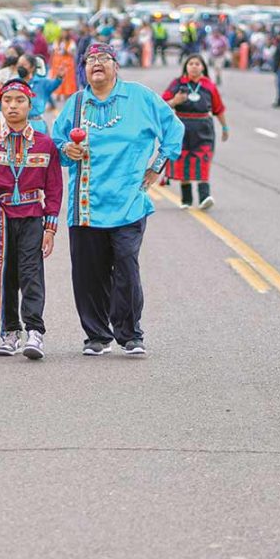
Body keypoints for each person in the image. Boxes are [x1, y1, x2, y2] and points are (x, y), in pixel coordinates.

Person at [52, 43, 184, 356]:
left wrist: (157, 167)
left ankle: (130, 334)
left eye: (103, 59)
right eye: (90, 60)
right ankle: (97, 335)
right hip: (85, 204)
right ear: (83, 69)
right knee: (89, 274)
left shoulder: (139, 97)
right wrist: (65, 150)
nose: (96, 64)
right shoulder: (76, 104)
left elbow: (173, 129)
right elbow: (58, 142)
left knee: (126, 265)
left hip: (128, 201)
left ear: (115, 65)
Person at [0, 79, 63, 358]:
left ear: (31, 106)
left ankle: (35, 331)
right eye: (7, 101)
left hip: (32, 215)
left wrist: (50, 229)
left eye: (19, 100)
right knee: (4, 274)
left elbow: (54, 188)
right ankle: (9, 332)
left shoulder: (44, 144)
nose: (13, 106)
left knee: (31, 274)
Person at [161, 54, 229, 210]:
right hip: (181, 126)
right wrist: (175, 101)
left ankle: (205, 196)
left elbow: (218, 108)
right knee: (183, 160)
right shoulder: (177, 84)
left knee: (203, 159)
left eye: (197, 64)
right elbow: (162, 104)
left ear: (203, 67)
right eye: (190, 63)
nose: (194, 66)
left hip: (203, 127)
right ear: (185, 66)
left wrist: (224, 127)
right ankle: (186, 199)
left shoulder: (209, 85)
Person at [16, 54, 64, 134]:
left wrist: (59, 77)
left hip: (37, 126)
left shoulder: (42, 83)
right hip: (18, 125)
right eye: (19, 64)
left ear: (32, 68)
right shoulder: (14, 83)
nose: (20, 67)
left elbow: (54, 84)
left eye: (23, 65)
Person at [52, 30, 78, 100]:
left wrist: (66, 51)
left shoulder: (71, 42)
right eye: (62, 32)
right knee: (57, 77)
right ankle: (58, 94)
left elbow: (72, 52)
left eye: (65, 32)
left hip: (68, 64)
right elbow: (54, 50)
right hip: (57, 63)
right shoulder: (57, 41)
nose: (63, 34)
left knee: (67, 79)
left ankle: (67, 95)